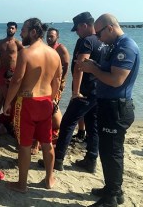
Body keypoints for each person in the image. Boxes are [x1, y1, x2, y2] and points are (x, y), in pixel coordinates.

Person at [78, 13, 140, 207]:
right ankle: (113, 189)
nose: (97, 38)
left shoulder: (126, 46)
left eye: (99, 33)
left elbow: (116, 80)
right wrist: (95, 65)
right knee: (107, 150)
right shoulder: (115, 45)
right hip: (109, 105)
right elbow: (109, 72)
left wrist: (92, 70)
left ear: (110, 28)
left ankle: (112, 196)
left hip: (117, 107)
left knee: (111, 151)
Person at [3, 18, 62, 193]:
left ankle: (22, 184)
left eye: (24, 29)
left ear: (34, 32)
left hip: (27, 103)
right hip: (46, 101)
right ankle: (49, 178)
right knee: (47, 142)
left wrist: (7, 102)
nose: (21, 33)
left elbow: (16, 81)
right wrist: (52, 99)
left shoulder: (26, 53)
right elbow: (57, 80)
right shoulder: (54, 54)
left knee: (25, 145)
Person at [52, 12, 108, 173]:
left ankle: (58, 160)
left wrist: (75, 92)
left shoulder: (86, 41)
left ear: (84, 25)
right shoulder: (102, 40)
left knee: (67, 123)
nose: (76, 32)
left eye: (77, 28)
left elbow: (79, 66)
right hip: (98, 90)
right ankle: (91, 160)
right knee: (93, 126)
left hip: (84, 91)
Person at [31, 27, 70, 154]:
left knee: (49, 111)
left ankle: (40, 141)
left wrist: (61, 84)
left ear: (57, 37)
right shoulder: (45, 49)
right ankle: (44, 137)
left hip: (55, 85)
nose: (49, 38)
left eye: (51, 36)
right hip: (44, 84)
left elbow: (66, 65)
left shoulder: (60, 49)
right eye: (47, 35)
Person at [0, 22, 24, 119]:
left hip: (13, 72)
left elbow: (25, 56)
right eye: (9, 28)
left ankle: (11, 118)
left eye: (12, 28)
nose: (10, 30)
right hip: (2, 72)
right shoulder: (0, 42)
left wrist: (23, 70)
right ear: (6, 29)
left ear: (16, 30)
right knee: (1, 96)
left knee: (13, 97)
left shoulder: (18, 43)